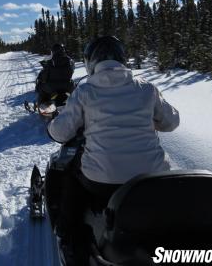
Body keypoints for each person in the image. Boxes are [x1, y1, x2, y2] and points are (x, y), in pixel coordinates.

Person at [47, 36, 179, 265]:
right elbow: (171, 122)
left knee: (71, 173)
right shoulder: (147, 88)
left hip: (102, 182)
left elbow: (61, 133)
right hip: (153, 179)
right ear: (122, 59)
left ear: (91, 63)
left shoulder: (85, 90)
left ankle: (66, 230)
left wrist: (53, 125)